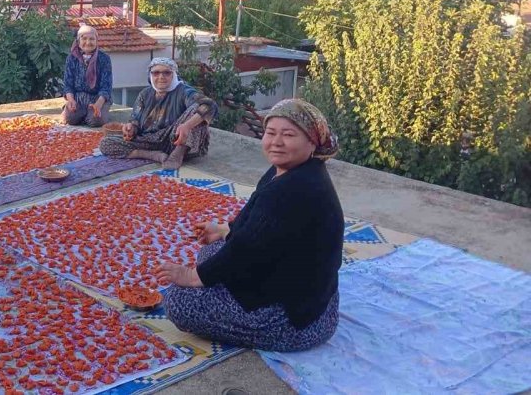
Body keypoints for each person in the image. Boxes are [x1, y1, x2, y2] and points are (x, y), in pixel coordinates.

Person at [156, 99, 344, 352]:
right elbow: (259, 225)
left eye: (288, 135)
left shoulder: (294, 190)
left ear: (312, 142)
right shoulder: (293, 171)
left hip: (293, 322)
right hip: (314, 298)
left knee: (180, 301)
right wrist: (226, 230)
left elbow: (246, 248)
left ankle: (264, 329)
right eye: (270, 133)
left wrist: (192, 277)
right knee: (212, 252)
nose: (276, 142)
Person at [98, 57, 217, 169]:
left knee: (199, 110)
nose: (161, 77)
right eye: (156, 73)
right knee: (106, 143)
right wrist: (130, 128)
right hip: (148, 141)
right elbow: (135, 120)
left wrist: (187, 126)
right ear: (150, 75)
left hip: (174, 140)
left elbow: (210, 105)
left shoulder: (183, 91)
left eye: (167, 73)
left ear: (174, 75)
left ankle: (178, 154)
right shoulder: (145, 94)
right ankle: (153, 155)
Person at [62, 25, 113, 127]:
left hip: (98, 98)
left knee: (96, 121)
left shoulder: (104, 59)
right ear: (78, 40)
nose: (88, 42)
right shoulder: (71, 58)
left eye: (92, 39)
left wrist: (98, 105)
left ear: (96, 41)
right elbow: (68, 84)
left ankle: (96, 113)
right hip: (78, 98)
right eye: (84, 38)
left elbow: (106, 86)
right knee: (69, 119)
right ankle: (81, 113)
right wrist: (71, 100)